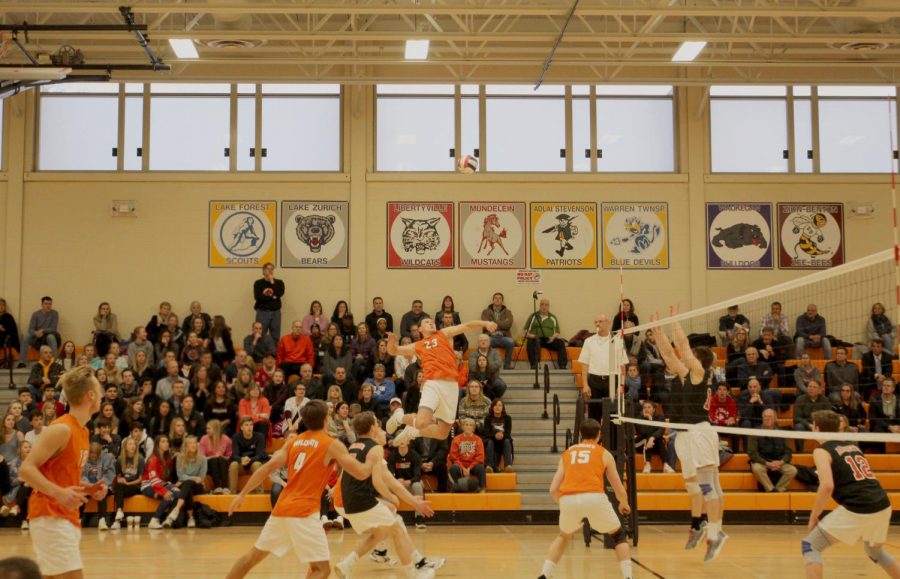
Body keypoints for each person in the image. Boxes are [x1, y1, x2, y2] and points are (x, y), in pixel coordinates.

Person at [224, 400, 376, 579]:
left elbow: (265, 468)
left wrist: (241, 494)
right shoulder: (331, 444)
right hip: (304, 512)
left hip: (281, 509)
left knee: (252, 557)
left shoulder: (294, 442)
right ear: (327, 419)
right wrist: (374, 457)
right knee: (322, 570)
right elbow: (361, 472)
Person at [651, 311, 727, 560]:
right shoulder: (686, 375)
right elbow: (670, 355)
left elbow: (682, 347)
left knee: (709, 486)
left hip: (700, 432)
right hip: (683, 434)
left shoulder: (700, 373)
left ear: (698, 360)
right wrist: (658, 331)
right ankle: (698, 523)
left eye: (692, 356)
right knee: (693, 485)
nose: (687, 356)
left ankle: (716, 534)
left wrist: (673, 321)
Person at [18, 366, 102, 578]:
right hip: (50, 515)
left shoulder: (83, 430)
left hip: (65, 516)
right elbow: (26, 469)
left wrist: (88, 488)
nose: (101, 395)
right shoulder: (62, 429)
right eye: (99, 390)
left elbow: (60, 476)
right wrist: (59, 493)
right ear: (91, 395)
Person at [333, 412, 436, 579]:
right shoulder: (375, 449)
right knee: (397, 527)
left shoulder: (356, 446)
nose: (382, 431)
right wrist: (397, 498)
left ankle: (348, 563)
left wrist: (410, 501)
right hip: (352, 499)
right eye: (379, 427)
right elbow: (380, 482)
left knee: (381, 531)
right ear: (373, 428)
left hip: (348, 499)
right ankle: (415, 570)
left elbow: (389, 481)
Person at [802, 409, 899, 579]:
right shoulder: (851, 445)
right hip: (882, 503)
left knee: (811, 545)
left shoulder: (821, 450)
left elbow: (826, 486)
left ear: (817, 429)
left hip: (859, 506)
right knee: (875, 551)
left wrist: (814, 516)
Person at [538, 418, 633, 579]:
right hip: (594, 497)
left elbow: (553, 489)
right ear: (599, 435)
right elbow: (618, 487)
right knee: (618, 536)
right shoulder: (603, 453)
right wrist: (623, 504)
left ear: (581, 435)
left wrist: (565, 504)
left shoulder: (567, 453)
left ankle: (544, 574)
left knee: (563, 536)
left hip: (568, 498)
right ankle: (629, 577)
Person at [387, 317, 497, 446]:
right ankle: (399, 417)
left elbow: (467, 325)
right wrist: (391, 342)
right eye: (426, 322)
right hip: (433, 384)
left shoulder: (443, 333)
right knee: (422, 422)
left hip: (451, 386)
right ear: (420, 329)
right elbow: (393, 350)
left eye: (432, 321)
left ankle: (412, 432)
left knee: (442, 433)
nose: (430, 322)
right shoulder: (418, 345)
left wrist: (486, 323)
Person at [579, 314, 626, 420]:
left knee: (613, 415)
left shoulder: (617, 340)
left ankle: (613, 437)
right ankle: (594, 436)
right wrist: (585, 385)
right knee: (594, 414)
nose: (597, 324)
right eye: (595, 322)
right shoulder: (589, 341)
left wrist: (621, 385)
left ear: (608, 323)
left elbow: (622, 365)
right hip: (595, 380)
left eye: (600, 321)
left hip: (613, 379)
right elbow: (584, 364)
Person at [141, 435, 185, 529]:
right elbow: (153, 480)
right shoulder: (152, 459)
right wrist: (164, 491)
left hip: (160, 483)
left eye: (167, 441)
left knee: (178, 493)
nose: (166, 444)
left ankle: (169, 520)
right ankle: (154, 520)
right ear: (157, 445)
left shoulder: (167, 458)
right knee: (170, 495)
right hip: (148, 485)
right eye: (163, 441)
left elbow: (165, 479)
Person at [748, 409, 798, 492]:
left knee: (792, 470)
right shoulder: (755, 432)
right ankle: (771, 490)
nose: (767, 419)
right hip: (762, 462)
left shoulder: (782, 433)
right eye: (765, 417)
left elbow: (788, 452)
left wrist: (781, 462)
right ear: (762, 418)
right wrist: (767, 464)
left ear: (775, 419)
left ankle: (779, 489)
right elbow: (752, 453)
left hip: (778, 462)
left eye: (770, 417)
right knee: (757, 469)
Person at [524, 298, 568, 370]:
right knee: (529, 342)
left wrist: (553, 338)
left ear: (548, 306)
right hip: (535, 339)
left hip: (548, 340)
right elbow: (526, 331)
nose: (544, 306)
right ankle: (534, 365)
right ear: (539, 306)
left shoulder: (553, 318)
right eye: (542, 304)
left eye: (546, 305)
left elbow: (557, 332)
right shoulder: (533, 316)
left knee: (560, 343)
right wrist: (532, 336)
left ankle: (562, 365)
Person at [79, 442, 115, 529]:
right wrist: (89, 485)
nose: (93, 457)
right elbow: (82, 474)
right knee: (81, 493)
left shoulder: (107, 458)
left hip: (103, 485)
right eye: (91, 455)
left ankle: (102, 520)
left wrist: (99, 484)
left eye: (95, 456)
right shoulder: (84, 458)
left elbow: (109, 474)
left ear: (100, 454)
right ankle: (78, 518)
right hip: (88, 484)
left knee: (101, 492)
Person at [111, 437, 144, 529]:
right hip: (123, 486)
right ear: (125, 447)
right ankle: (119, 513)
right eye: (130, 444)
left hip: (135, 486)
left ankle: (117, 520)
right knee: (119, 488)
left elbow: (140, 479)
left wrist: (128, 483)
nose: (132, 446)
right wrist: (120, 480)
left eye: (134, 444)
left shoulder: (140, 459)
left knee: (119, 492)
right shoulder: (120, 459)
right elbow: (118, 477)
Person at [17, 297, 60, 369]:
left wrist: (42, 330)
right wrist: (36, 333)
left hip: (49, 335)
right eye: (46, 304)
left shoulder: (55, 313)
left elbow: (53, 328)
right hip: (38, 336)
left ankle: (53, 362)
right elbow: (30, 329)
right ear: (42, 304)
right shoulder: (36, 314)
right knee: (26, 337)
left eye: (50, 304)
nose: (48, 306)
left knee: (51, 337)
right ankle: (22, 362)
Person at [175, 435, 207, 528]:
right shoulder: (180, 458)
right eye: (190, 443)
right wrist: (193, 478)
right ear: (186, 446)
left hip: (198, 486)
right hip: (187, 486)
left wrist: (186, 479)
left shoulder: (203, 459)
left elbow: (201, 478)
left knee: (187, 484)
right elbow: (180, 475)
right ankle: (190, 518)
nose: (193, 445)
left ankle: (177, 509)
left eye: (194, 443)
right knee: (188, 488)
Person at [229, 417, 267, 493]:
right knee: (233, 464)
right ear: (241, 427)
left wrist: (249, 460)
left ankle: (260, 494)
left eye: (251, 425)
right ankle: (232, 493)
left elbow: (260, 455)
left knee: (257, 464)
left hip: (253, 464)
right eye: (246, 425)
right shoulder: (236, 437)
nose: (249, 427)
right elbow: (234, 455)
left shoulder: (260, 437)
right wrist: (241, 460)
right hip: (241, 465)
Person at [793, 380, 833, 452]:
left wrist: (818, 426)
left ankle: (826, 451)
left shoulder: (825, 400)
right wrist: (809, 425)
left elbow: (828, 417)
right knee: (798, 427)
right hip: (805, 425)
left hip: (820, 426)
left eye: (814, 387)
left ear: (819, 390)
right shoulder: (800, 399)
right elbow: (797, 418)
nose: (811, 389)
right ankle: (800, 452)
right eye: (809, 386)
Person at [448, 418, 487, 492]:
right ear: (462, 427)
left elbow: (480, 457)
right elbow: (453, 456)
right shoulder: (456, 439)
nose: (468, 427)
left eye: (471, 425)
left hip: (473, 466)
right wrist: (463, 468)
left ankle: (481, 489)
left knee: (481, 468)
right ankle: (455, 488)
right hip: (460, 466)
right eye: (466, 425)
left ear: (474, 428)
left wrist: (469, 468)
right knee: (453, 468)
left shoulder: (478, 440)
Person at [253, 262, 285, 340]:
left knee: (275, 336)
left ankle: (273, 352)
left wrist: (272, 281)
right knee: (260, 334)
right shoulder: (258, 283)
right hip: (263, 312)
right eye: (268, 268)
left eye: (272, 269)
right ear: (263, 271)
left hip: (276, 313)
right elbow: (258, 297)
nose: (270, 270)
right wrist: (273, 297)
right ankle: (260, 352)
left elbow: (279, 293)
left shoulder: (279, 283)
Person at [200, 419, 232, 494]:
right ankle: (218, 487)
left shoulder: (226, 439)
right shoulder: (204, 439)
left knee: (220, 459)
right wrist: (213, 457)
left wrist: (221, 457)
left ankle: (225, 487)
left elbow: (230, 456)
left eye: (209, 428)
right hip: (208, 464)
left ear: (216, 429)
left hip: (222, 463)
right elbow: (202, 457)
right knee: (215, 460)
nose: (207, 430)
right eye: (206, 428)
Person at [482, 398, 513, 473]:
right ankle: (488, 466)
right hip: (491, 440)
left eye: (499, 405)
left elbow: (508, 433)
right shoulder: (488, 418)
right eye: (495, 405)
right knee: (490, 442)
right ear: (492, 407)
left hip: (503, 440)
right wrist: (495, 436)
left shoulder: (507, 418)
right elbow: (487, 433)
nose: (497, 407)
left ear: (503, 408)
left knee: (507, 441)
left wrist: (502, 436)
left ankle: (508, 466)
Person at [636, 401, 667, 473]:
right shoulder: (639, 418)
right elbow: (644, 432)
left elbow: (661, 430)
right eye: (645, 407)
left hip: (655, 444)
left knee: (658, 439)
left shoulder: (660, 417)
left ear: (653, 409)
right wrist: (650, 420)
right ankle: (647, 464)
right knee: (648, 438)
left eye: (649, 407)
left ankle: (666, 465)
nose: (647, 409)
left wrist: (652, 438)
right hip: (641, 445)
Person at [0, 298, 21, 364]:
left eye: (3, 305)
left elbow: (12, 331)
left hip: (6, 338)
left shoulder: (8, 317)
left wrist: (3, 330)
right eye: (0, 304)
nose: (1, 306)